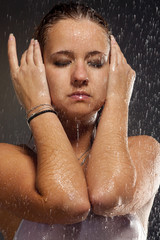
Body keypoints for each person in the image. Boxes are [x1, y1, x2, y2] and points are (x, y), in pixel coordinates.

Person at [0, 2, 160, 240]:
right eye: (63, 62)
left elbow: (106, 195)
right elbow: (69, 202)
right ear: (37, 71)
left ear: (115, 72)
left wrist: (118, 98)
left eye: (96, 63)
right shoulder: (7, 163)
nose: (80, 76)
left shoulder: (145, 152)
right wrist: (37, 104)